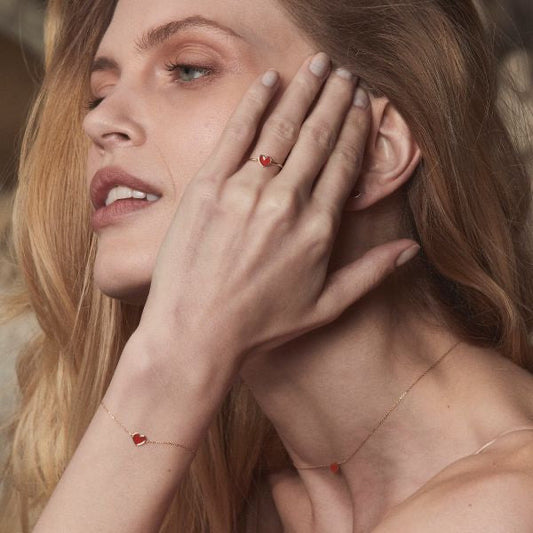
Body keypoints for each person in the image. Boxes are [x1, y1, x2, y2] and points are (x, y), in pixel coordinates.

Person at [1, 0, 533, 531]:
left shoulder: (504, 503)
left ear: (376, 147)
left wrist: (173, 364)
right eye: (100, 92)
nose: (98, 120)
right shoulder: (242, 504)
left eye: (189, 69)